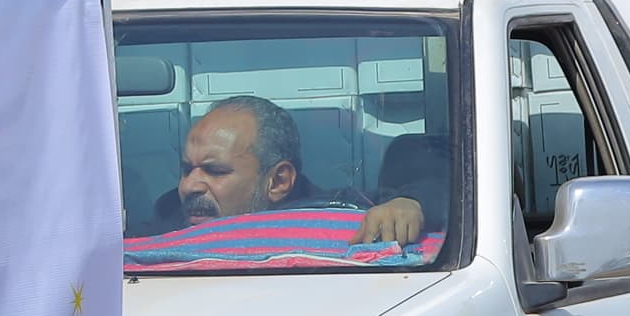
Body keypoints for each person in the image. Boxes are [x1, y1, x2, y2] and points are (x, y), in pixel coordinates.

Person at [162, 95, 430, 245]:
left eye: (215, 171)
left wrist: (412, 204)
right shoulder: (164, 225)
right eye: (187, 170)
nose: (188, 186)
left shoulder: (348, 214)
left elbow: (447, 197)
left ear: (278, 181)